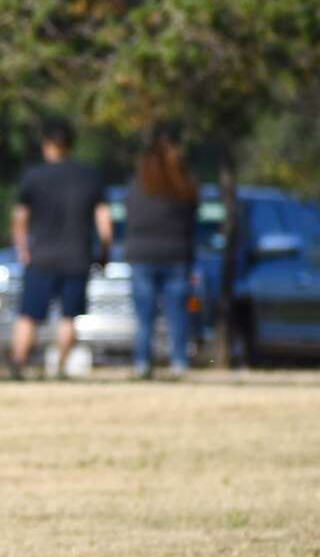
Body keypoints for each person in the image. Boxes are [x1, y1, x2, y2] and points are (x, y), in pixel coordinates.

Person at [10, 118, 113, 379]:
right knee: (69, 316)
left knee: (29, 316)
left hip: (41, 257)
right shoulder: (89, 177)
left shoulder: (33, 177)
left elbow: (20, 217)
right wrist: (104, 253)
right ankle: (58, 369)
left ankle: (18, 367)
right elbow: (105, 223)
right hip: (77, 257)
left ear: (47, 145)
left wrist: (22, 248)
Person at [125, 126, 198, 378]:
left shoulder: (139, 182)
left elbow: (130, 217)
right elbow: (192, 220)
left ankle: (142, 363)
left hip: (143, 254)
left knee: (144, 316)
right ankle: (179, 362)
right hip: (177, 254)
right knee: (177, 313)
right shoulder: (184, 183)